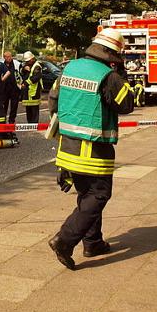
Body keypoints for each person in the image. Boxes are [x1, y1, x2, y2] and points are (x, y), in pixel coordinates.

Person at [47, 28, 135, 270]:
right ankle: (64, 240)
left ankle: (93, 242)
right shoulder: (108, 76)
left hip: (67, 145)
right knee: (98, 195)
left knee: (86, 195)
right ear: (113, 54)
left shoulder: (68, 68)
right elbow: (127, 104)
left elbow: (53, 102)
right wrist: (122, 75)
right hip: (94, 149)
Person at [20, 51, 43, 124]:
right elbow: (21, 72)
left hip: (34, 91)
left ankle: (34, 124)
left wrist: (26, 83)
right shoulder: (27, 65)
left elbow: (36, 77)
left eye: (28, 61)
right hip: (28, 91)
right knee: (28, 108)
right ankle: (29, 124)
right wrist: (24, 68)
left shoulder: (37, 66)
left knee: (34, 109)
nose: (27, 62)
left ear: (32, 59)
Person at [0, 50, 21, 124]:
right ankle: (3, 120)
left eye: (9, 56)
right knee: (4, 106)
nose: (8, 58)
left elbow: (21, 73)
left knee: (14, 106)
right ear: (4, 57)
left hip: (14, 89)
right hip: (5, 89)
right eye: (6, 57)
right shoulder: (2, 64)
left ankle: (12, 120)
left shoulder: (17, 64)